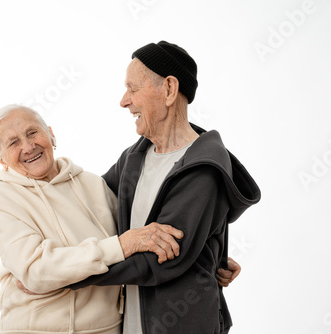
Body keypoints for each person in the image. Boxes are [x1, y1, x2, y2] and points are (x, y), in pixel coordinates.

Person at [68, 41, 261, 334]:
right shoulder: (135, 157)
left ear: (169, 89)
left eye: (133, 89)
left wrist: (66, 274)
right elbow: (93, 210)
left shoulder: (202, 169)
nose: (124, 100)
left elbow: (158, 261)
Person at [0, 104, 185, 334]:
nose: (28, 146)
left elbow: (144, 235)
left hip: (109, 327)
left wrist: (206, 258)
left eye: (32, 133)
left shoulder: (91, 183)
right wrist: (121, 245)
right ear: (1, 160)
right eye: (13, 142)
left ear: (51, 134)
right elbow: (36, 270)